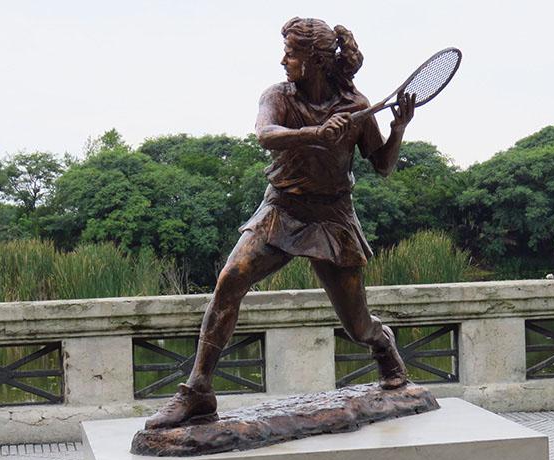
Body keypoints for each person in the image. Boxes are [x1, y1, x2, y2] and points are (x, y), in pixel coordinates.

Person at [146, 16, 417, 429]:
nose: (283, 60)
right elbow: (265, 134)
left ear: (315, 60)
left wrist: (398, 129)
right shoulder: (278, 96)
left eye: (291, 53)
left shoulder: (356, 106)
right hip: (282, 210)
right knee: (230, 280)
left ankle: (384, 350)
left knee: (358, 325)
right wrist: (316, 132)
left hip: (333, 218)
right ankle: (198, 390)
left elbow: (381, 165)